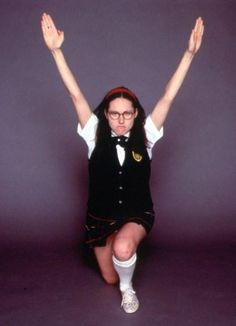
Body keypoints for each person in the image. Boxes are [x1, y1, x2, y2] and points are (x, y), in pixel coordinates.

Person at [41, 13, 204, 313]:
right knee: (109, 278)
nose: (120, 120)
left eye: (127, 114)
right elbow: (74, 94)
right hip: (99, 218)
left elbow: (168, 96)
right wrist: (56, 51)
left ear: (136, 114)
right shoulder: (93, 134)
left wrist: (189, 54)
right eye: (114, 113)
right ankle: (117, 256)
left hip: (136, 212)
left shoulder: (147, 135)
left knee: (123, 251)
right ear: (105, 114)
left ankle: (129, 288)